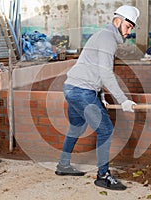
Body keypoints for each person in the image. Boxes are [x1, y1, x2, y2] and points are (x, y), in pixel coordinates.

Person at [55, 5, 140, 191]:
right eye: (128, 26)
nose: (129, 32)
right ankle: (103, 176)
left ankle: (63, 165)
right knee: (106, 130)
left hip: (72, 88)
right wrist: (122, 99)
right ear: (117, 21)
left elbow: (94, 69)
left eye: (132, 28)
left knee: (76, 127)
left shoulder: (103, 36)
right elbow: (106, 73)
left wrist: (99, 95)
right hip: (81, 91)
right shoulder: (108, 39)